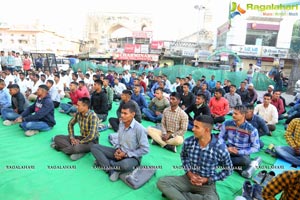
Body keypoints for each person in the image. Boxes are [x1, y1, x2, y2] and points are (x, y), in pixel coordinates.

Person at [157, 115, 233, 200]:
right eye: (193, 126)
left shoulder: (220, 148)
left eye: (196, 127)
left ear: (206, 130)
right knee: (162, 182)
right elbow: (184, 157)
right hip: (188, 179)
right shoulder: (189, 142)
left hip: (206, 185)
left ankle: (180, 195)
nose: (192, 129)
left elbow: (228, 170)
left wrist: (207, 180)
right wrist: (189, 173)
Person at [91, 101, 149, 181]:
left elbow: (145, 149)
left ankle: (104, 163)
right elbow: (119, 139)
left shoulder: (139, 129)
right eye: (122, 113)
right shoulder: (122, 123)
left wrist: (126, 154)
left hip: (132, 158)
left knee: (124, 165)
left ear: (133, 114)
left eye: (125, 113)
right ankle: (111, 169)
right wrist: (118, 149)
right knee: (94, 147)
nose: (122, 115)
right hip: (119, 152)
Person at [218, 105, 260, 172]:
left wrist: (239, 152)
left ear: (243, 115)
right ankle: (236, 167)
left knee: (245, 161)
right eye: (233, 113)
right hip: (228, 149)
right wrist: (226, 148)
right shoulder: (227, 123)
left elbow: (256, 147)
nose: (233, 115)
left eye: (236, 114)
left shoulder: (251, 129)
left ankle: (223, 162)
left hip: (241, 153)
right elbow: (221, 138)